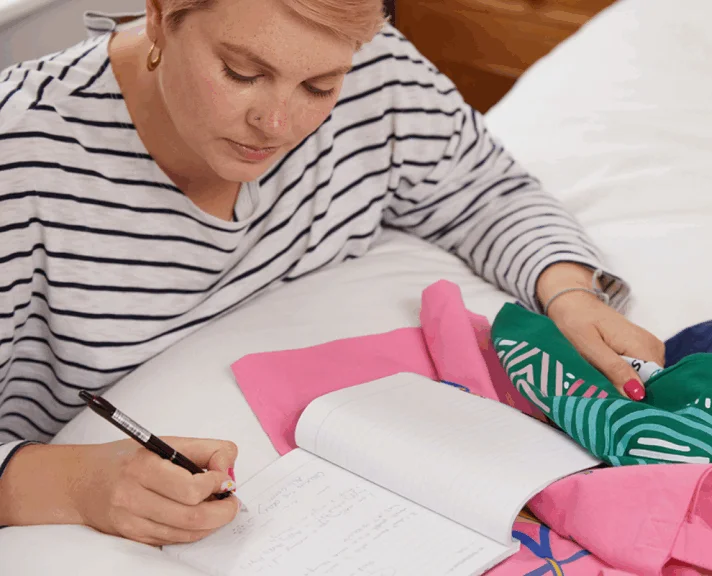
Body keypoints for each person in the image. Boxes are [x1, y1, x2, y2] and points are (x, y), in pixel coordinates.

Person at [0, 0, 664, 547]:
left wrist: (568, 289)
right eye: (240, 73)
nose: (278, 123)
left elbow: (483, 191)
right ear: (159, 14)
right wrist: (68, 483)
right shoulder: (20, 158)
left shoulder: (377, 73)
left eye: (319, 86)